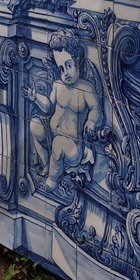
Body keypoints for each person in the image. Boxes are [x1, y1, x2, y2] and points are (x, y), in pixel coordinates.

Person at [27, 30, 102, 193]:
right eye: (61, 68)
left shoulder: (85, 88)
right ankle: (46, 163)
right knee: (34, 125)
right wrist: (36, 98)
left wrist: (91, 121)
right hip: (52, 136)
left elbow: (97, 109)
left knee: (59, 144)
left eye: (68, 65)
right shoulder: (57, 84)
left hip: (73, 147)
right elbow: (48, 106)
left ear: (77, 61)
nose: (65, 73)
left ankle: (52, 179)